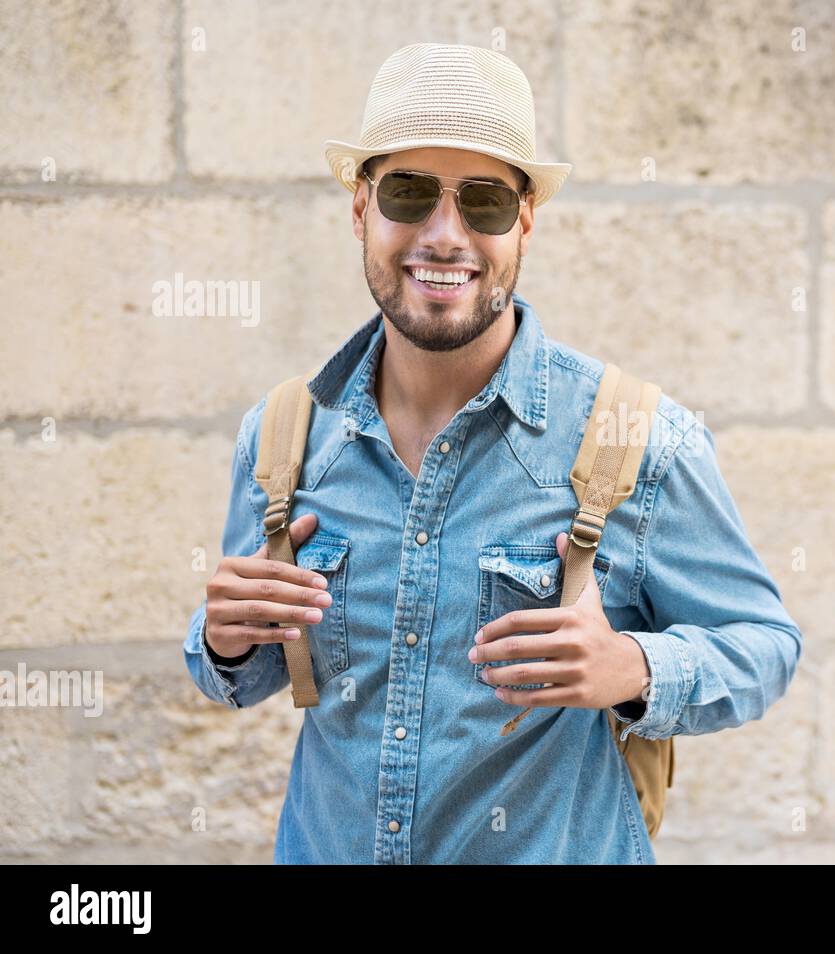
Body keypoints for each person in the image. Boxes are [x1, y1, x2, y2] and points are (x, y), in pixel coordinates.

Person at [182, 42, 802, 864]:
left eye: (485, 203)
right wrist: (222, 643)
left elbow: (765, 645)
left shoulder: (636, 437)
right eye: (409, 193)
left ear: (527, 222)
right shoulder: (287, 432)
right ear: (361, 208)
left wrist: (632, 666)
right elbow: (257, 668)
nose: (445, 236)